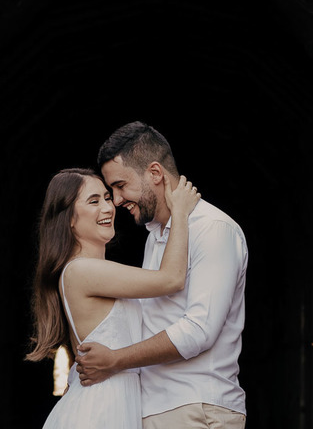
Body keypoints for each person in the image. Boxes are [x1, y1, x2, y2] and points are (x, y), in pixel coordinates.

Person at [77, 122, 249, 429]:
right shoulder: (155, 235)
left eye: (120, 185)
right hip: (156, 408)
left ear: (155, 173)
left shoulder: (213, 230)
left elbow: (198, 330)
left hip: (196, 408)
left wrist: (115, 359)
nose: (116, 200)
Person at [27, 167, 201, 429]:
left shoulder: (92, 271)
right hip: (98, 411)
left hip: (114, 407)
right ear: (69, 219)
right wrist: (179, 212)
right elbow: (171, 279)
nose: (108, 208)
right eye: (93, 201)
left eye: (107, 198)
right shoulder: (81, 270)